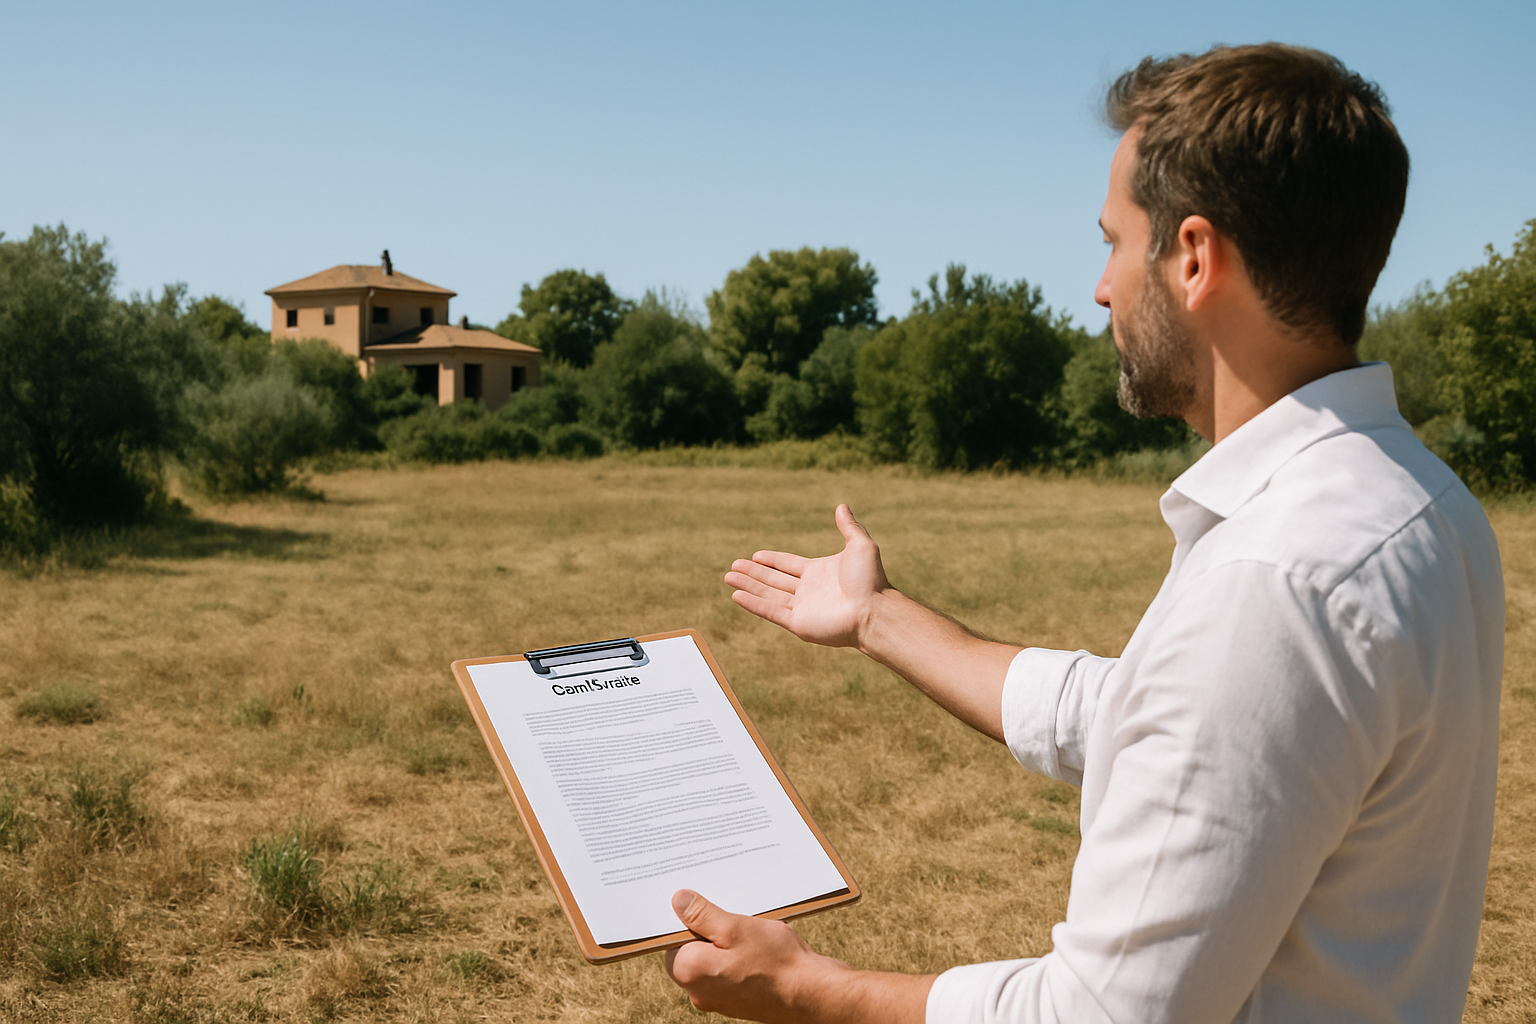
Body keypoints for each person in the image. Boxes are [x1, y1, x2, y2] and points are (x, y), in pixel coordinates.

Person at [664, 43, 1505, 1024]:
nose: (1102, 287)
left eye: (1114, 241)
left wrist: (811, 989)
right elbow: (1163, 721)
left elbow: (1106, 1014)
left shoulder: (1273, 579)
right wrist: (876, 617)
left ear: (1193, 257)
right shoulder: (1420, 500)